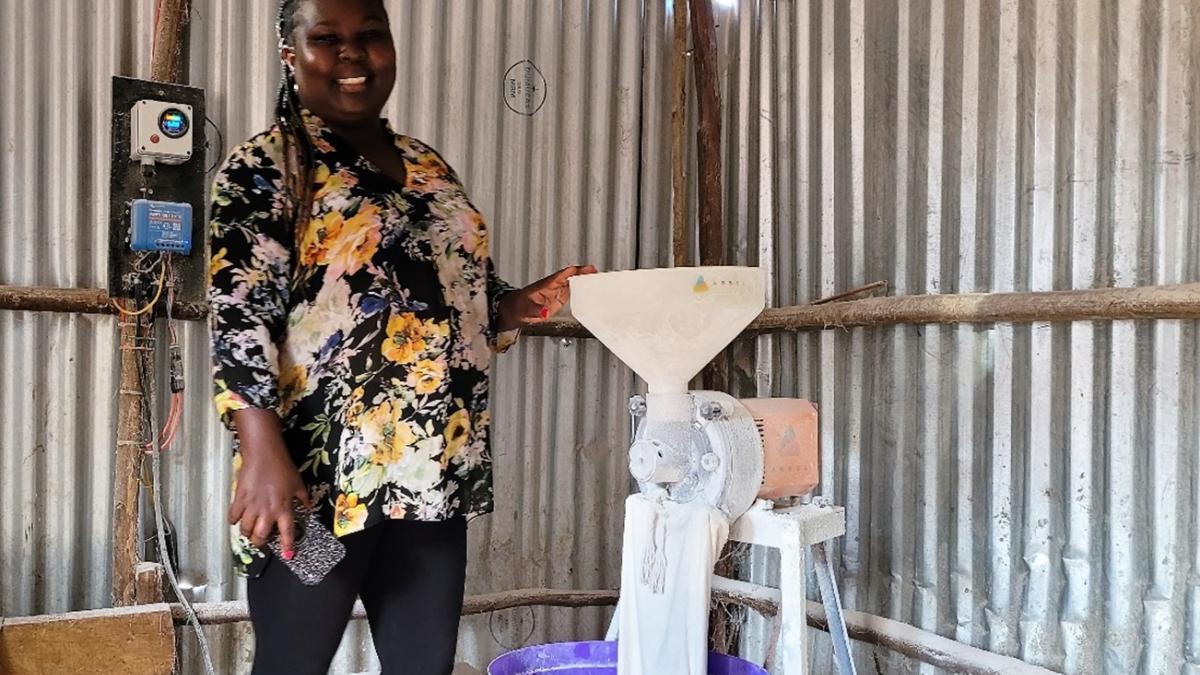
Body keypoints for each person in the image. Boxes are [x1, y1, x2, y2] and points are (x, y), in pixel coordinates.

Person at [207, 1, 596, 672]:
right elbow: (240, 315)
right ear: (290, 54)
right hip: (316, 493)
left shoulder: (429, 167)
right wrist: (260, 449)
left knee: (423, 663)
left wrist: (516, 304)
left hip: (430, 485)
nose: (353, 54)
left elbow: (457, 292)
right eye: (327, 39)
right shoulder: (268, 167)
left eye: (371, 37)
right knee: (292, 659)